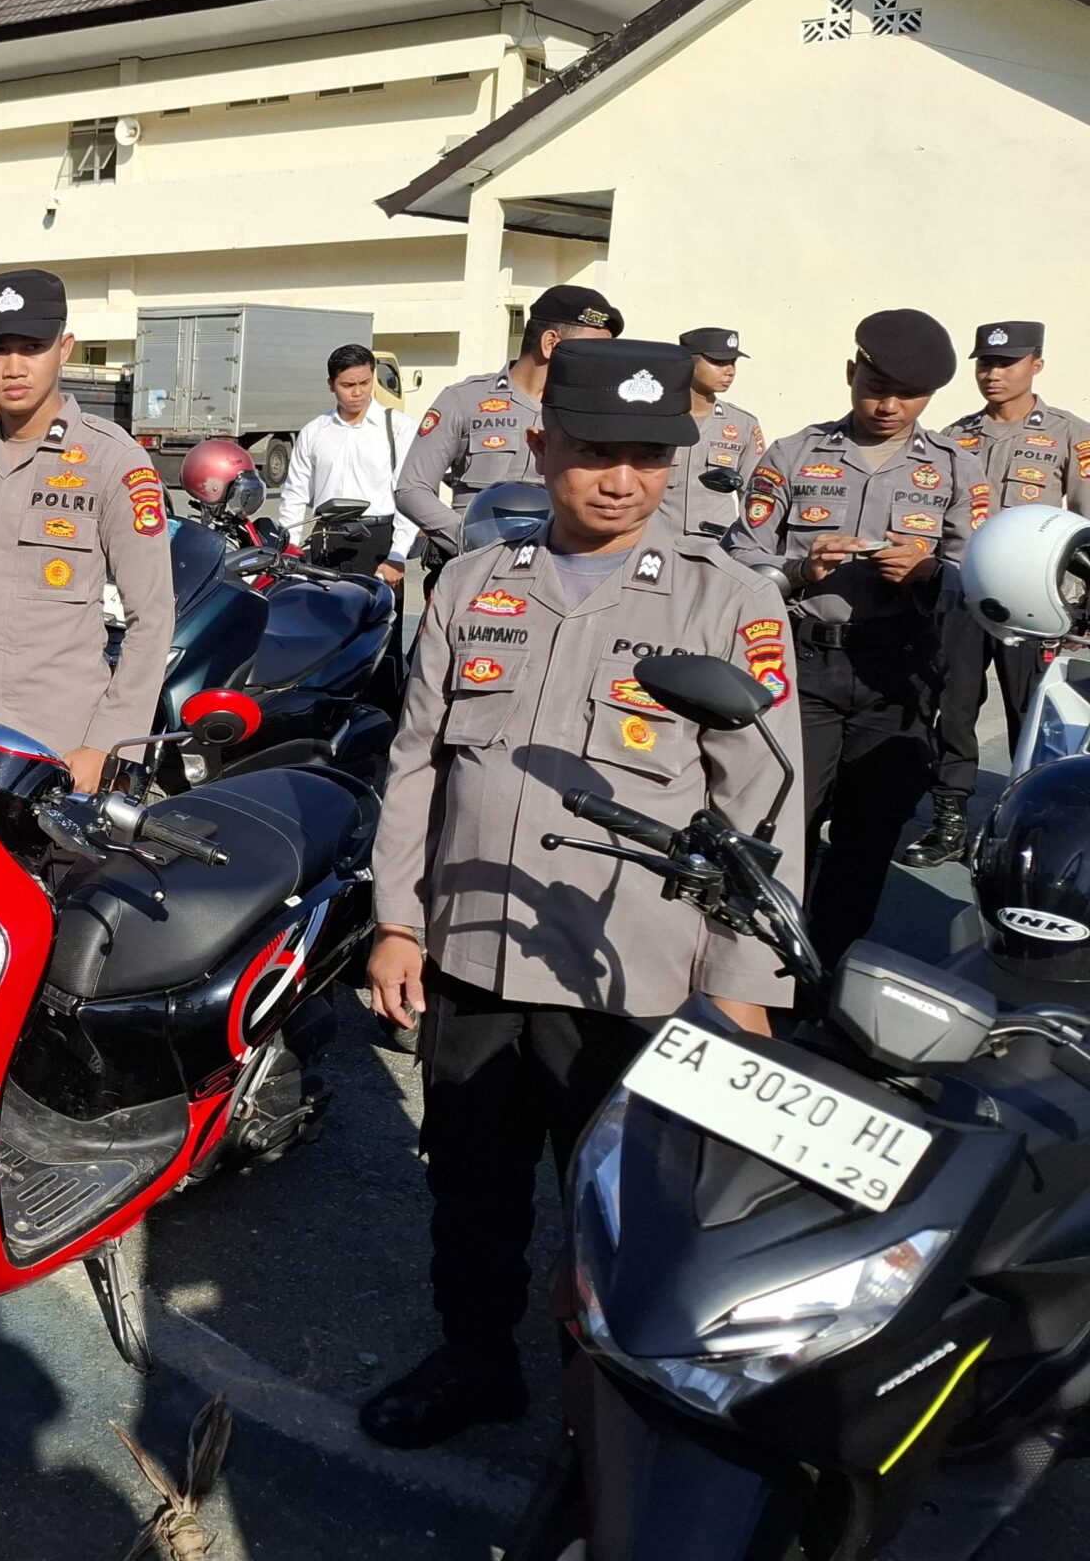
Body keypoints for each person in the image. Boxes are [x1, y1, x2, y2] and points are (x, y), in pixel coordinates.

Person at [359, 336, 803, 1449]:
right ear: (544, 443)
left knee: (616, 1213)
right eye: (598, 451)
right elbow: (416, 766)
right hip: (474, 948)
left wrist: (742, 986)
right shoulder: (472, 583)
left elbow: (761, 810)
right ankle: (474, 1363)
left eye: (649, 458)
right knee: (469, 1183)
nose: (622, 480)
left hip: (629, 973)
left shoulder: (727, 603)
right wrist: (396, 920)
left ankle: (598, 1420)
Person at [727, 308, 981, 965]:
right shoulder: (793, 455)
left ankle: (831, 962)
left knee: (868, 835)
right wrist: (797, 569)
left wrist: (930, 572)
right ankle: (769, 965)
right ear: (850, 374)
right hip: (805, 665)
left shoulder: (957, 469)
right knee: (783, 820)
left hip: (898, 673)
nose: (890, 407)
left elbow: (982, 578)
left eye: (910, 395)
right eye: (877, 388)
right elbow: (740, 555)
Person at [0, 269, 174, 794]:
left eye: (32, 347)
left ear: (64, 348)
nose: (14, 366)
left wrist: (108, 743)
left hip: (64, 755)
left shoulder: (112, 461)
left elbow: (152, 617)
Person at [898, 320, 1090, 866]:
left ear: (1037, 365)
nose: (993, 373)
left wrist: (1079, 610)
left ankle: (1033, 829)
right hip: (964, 596)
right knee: (953, 709)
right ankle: (951, 822)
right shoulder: (953, 437)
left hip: (1037, 604)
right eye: (985, 362)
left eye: (1007, 362)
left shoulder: (1071, 435)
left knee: (1036, 716)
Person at [393, 285, 624, 565]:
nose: (602, 363)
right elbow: (412, 488)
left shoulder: (597, 413)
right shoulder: (464, 400)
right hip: (472, 568)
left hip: (557, 566)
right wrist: (469, 538)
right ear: (550, 344)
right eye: (593, 352)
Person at [277, 342, 416, 586]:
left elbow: (408, 494)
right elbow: (295, 493)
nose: (358, 392)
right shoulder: (314, 431)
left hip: (378, 543)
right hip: (326, 540)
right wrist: (288, 547)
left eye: (365, 383)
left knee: (377, 611)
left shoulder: (398, 428)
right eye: (348, 385)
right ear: (331, 384)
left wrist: (397, 554)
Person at [662, 326, 766, 543]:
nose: (730, 371)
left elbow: (755, 494)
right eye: (719, 362)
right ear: (689, 363)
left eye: (733, 362)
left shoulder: (743, 424)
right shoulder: (657, 418)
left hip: (716, 545)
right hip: (657, 540)